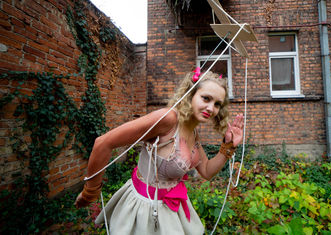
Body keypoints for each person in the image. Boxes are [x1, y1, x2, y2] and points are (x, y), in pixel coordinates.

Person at [75, 69, 244, 234]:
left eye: (217, 104)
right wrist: (90, 192)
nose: (211, 108)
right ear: (191, 94)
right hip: (144, 210)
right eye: (206, 98)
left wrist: (228, 147)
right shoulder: (168, 119)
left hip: (171, 210)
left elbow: (206, 171)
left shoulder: (193, 131)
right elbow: (103, 143)